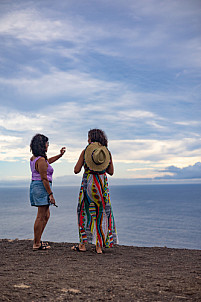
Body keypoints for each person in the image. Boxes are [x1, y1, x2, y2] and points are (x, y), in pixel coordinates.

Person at [72, 129, 118, 254]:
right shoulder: (106, 153)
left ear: (91, 139)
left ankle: (82, 244)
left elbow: (76, 170)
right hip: (101, 186)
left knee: (84, 211)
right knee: (101, 213)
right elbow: (111, 172)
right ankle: (99, 246)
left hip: (88, 184)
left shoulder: (86, 151)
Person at [30, 133, 66, 251]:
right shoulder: (40, 161)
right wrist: (51, 194)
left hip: (38, 186)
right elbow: (44, 179)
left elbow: (48, 161)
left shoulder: (37, 159)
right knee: (41, 216)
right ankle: (36, 243)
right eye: (47, 144)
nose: (48, 145)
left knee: (46, 215)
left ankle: (38, 240)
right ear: (42, 145)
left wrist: (60, 155)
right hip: (42, 187)